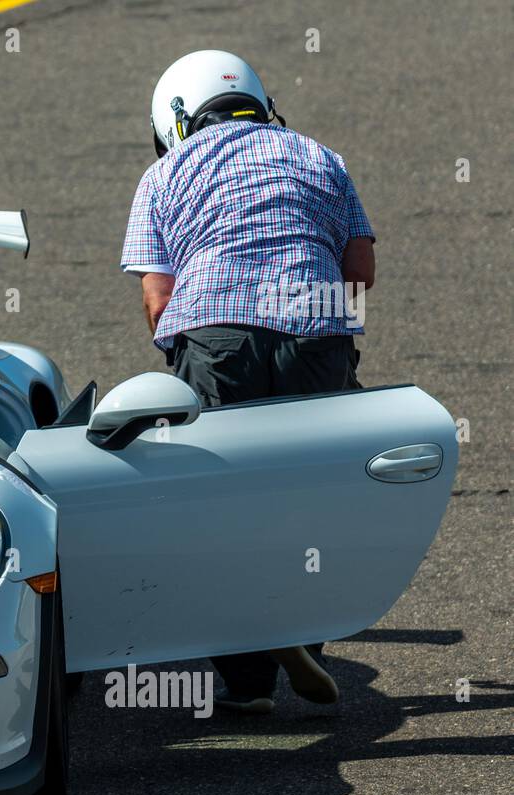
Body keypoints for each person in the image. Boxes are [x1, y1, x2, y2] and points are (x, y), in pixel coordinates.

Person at [120, 50, 376, 714]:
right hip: (315, 325)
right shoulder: (320, 156)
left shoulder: (164, 172)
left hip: (217, 332)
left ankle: (249, 680)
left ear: (175, 120)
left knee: (218, 502)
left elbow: (157, 297)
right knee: (310, 493)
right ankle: (305, 640)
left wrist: (188, 354)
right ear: (262, 105)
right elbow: (360, 267)